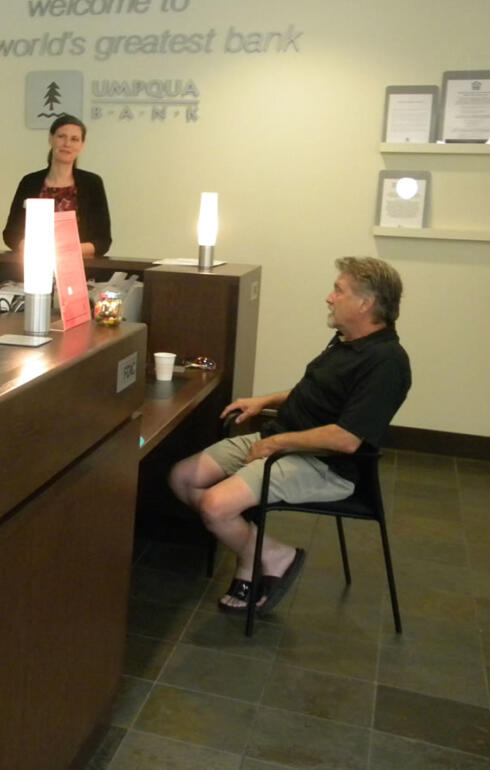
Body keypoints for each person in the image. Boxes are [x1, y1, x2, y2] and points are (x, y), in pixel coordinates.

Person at [168, 257, 411, 614]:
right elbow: (314, 394)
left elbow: (346, 439)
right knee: (182, 478)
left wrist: (275, 444)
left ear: (365, 303)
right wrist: (266, 400)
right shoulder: (346, 343)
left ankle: (268, 558)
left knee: (214, 507)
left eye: (338, 290)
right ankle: (266, 554)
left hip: (325, 465)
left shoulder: (386, 362)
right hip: (283, 439)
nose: (329, 297)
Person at [2, 114, 111, 256]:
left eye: (74, 139)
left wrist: (64, 251)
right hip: (35, 264)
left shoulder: (92, 183)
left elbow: (102, 242)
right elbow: (11, 234)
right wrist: (32, 248)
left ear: (81, 145)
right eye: (61, 137)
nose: (67, 144)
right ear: (51, 139)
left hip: (81, 268)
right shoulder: (29, 182)